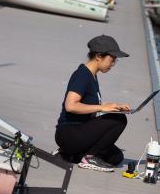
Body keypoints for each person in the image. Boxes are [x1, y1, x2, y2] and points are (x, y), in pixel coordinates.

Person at [55, 35, 130, 172]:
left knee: (116, 157)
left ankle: (70, 154)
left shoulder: (92, 76)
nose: (113, 64)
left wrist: (112, 106)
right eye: (112, 59)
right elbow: (70, 106)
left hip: (79, 132)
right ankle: (89, 157)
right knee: (119, 119)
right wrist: (102, 107)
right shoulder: (82, 75)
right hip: (69, 133)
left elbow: (88, 106)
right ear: (99, 56)